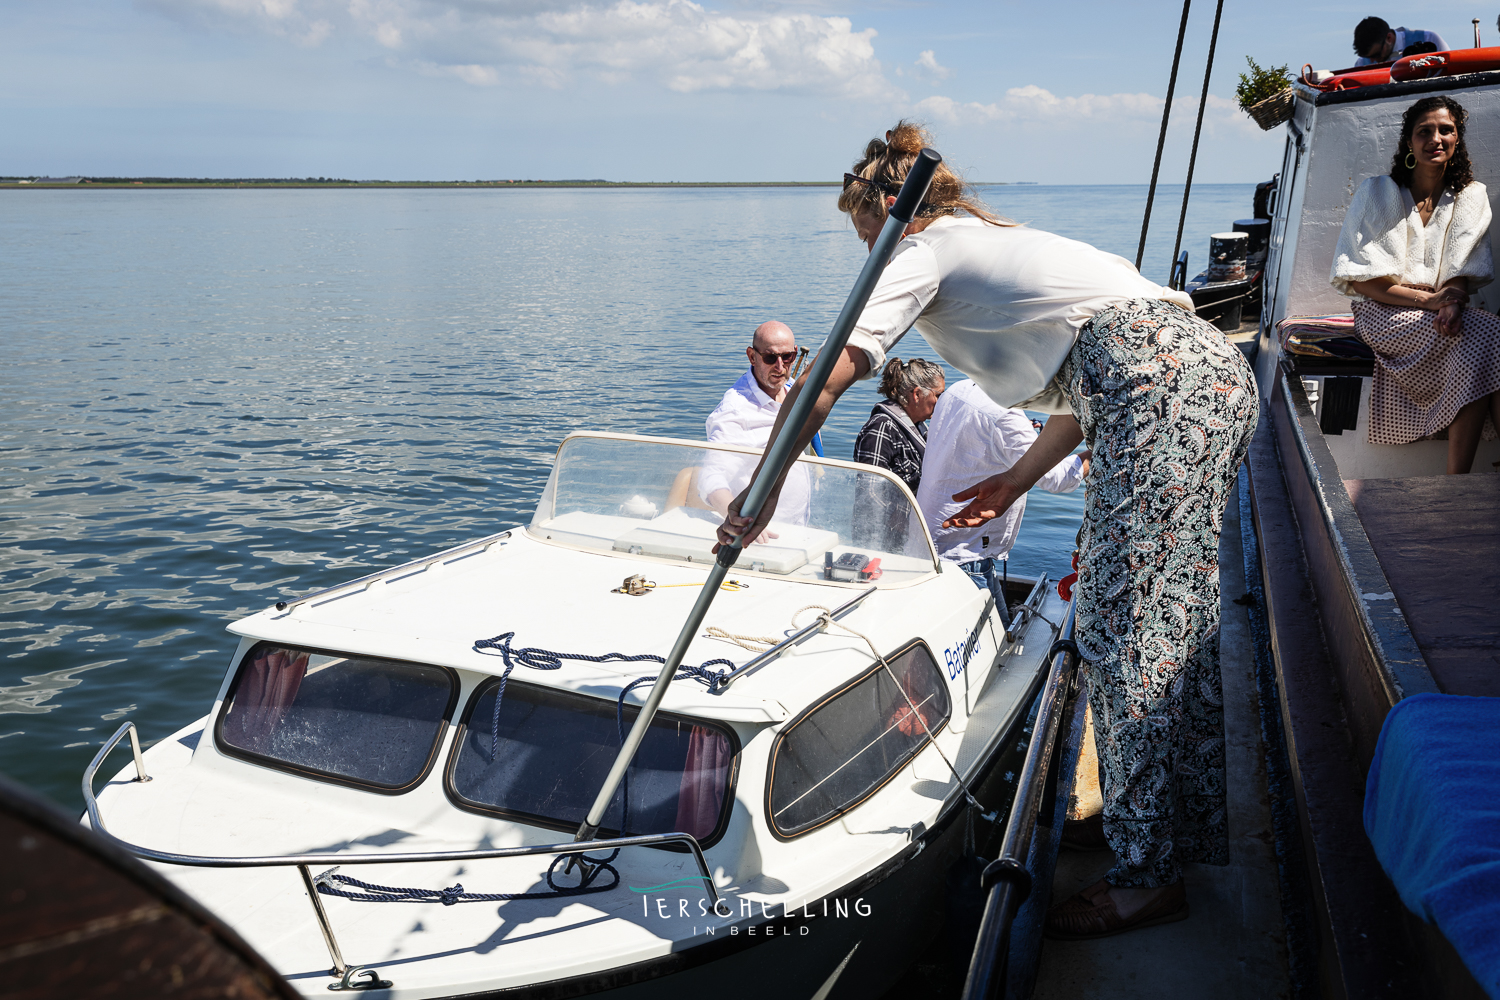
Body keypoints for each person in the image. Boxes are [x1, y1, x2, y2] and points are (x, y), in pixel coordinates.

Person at [714, 121, 1259, 938]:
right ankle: (1161, 836)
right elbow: (1089, 381)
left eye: (865, 235)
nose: (868, 254)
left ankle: (1148, 872)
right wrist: (1012, 480)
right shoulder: (999, 242)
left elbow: (832, 371)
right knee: (1165, 621)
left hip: (1154, 392)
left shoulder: (921, 249)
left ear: (887, 217)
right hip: (1204, 378)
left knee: (1127, 629)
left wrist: (762, 490)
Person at [1331, 95, 1500, 473]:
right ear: (1409, 142)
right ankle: (1459, 479)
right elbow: (1363, 283)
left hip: (1440, 308)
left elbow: (1460, 263)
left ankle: (1460, 479)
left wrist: (1451, 303)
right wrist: (1430, 302)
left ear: (1458, 140)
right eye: (1424, 131)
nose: (1435, 138)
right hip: (1384, 310)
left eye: (1446, 130)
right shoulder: (1376, 192)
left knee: (1482, 340)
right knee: (1484, 336)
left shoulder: (1470, 195)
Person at [915, 380, 1086, 614]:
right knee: (994, 644)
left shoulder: (958, 389)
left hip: (931, 541)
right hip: (967, 552)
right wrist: (1096, 452)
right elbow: (1055, 478)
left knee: (997, 632)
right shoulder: (1004, 415)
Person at [699, 320, 811, 523]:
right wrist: (738, 521)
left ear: (795, 353)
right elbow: (711, 477)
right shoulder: (735, 411)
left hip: (798, 526)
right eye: (770, 357)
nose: (780, 366)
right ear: (752, 356)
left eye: (787, 357)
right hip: (761, 531)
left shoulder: (792, 388)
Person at [852, 357, 946, 494]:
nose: (941, 402)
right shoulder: (881, 428)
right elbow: (870, 492)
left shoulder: (920, 428)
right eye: (938, 395)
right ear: (917, 394)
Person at [1352, 17, 1449, 65]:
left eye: (1376, 54)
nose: (1372, 60)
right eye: (1367, 57)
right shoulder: (1361, 64)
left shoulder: (1429, 39)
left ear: (1389, 38)